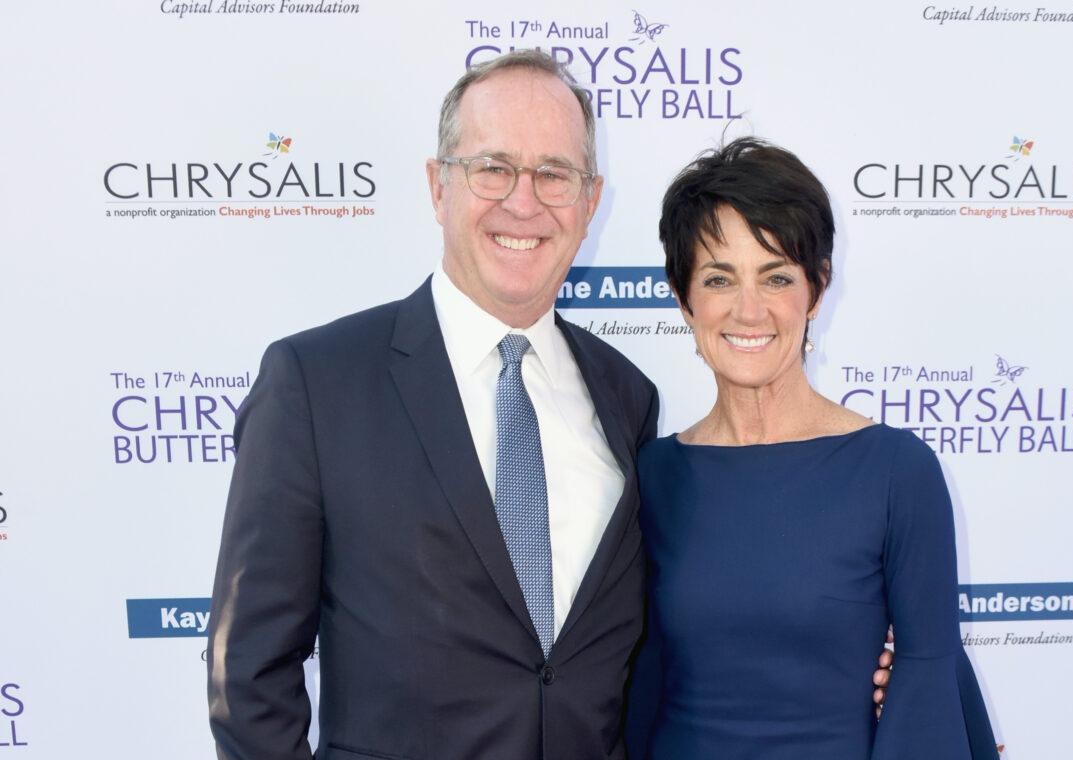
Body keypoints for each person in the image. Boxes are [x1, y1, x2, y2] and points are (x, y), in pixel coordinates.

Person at [207, 51, 890, 760]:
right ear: (438, 186)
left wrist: (868, 650)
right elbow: (248, 676)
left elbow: (677, 626)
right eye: (493, 167)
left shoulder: (625, 395)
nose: (523, 202)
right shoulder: (317, 384)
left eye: (554, 174)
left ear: (590, 202)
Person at [626, 138, 999, 759]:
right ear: (683, 298)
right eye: (719, 279)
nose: (749, 311)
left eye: (776, 277)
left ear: (817, 289)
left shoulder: (896, 472)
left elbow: (929, 691)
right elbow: (630, 686)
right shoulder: (653, 476)